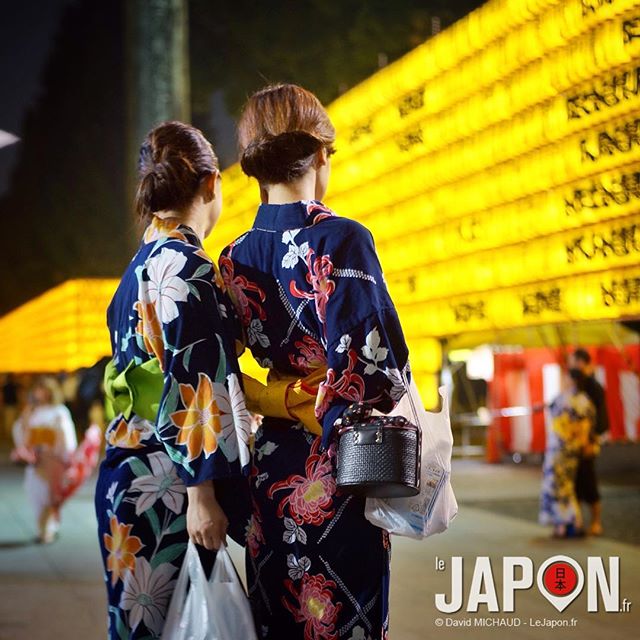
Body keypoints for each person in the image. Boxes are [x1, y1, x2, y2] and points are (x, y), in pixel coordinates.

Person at [220, 84, 410, 640]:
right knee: (341, 621)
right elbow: (374, 368)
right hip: (338, 468)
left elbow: (225, 367)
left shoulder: (233, 258)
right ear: (322, 153)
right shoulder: (342, 240)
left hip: (270, 468)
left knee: (274, 618)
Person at [94, 121, 251, 639]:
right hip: (168, 482)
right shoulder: (186, 267)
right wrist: (201, 495)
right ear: (211, 185)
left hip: (128, 470)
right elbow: (196, 383)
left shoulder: (143, 262)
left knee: (142, 628)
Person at [11, 376, 77, 543]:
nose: (40, 392)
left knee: (50, 495)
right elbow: (20, 430)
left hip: (52, 458)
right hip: (35, 459)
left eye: (44, 389)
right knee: (36, 493)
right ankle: (44, 527)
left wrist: (67, 455)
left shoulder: (59, 411)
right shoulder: (32, 410)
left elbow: (67, 436)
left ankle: (47, 530)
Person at [539, 368, 594, 538]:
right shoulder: (583, 401)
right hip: (569, 449)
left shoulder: (570, 399)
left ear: (572, 380)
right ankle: (568, 523)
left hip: (561, 448)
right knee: (565, 486)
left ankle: (566, 524)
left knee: (558, 486)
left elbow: (583, 426)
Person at [569, 348, 608, 536]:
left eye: (575, 362)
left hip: (587, 442)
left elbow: (601, 418)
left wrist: (592, 438)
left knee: (589, 483)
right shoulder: (574, 388)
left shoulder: (593, 387)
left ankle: (596, 522)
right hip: (571, 446)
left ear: (584, 363)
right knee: (574, 485)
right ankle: (579, 522)